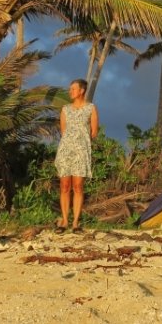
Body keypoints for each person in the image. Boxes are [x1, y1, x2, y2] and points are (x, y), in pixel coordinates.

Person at [54, 78, 98, 233]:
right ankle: (64, 221)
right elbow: (63, 131)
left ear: (82, 90)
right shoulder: (65, 109)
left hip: (81, 151)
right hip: (66, 150)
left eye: (73, 89)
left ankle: (75, 223)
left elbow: (93, 131)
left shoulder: (91, 108)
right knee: (65, 186)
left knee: (78, 186)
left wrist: (81, 143)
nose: (70, 91)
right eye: (70, 89)